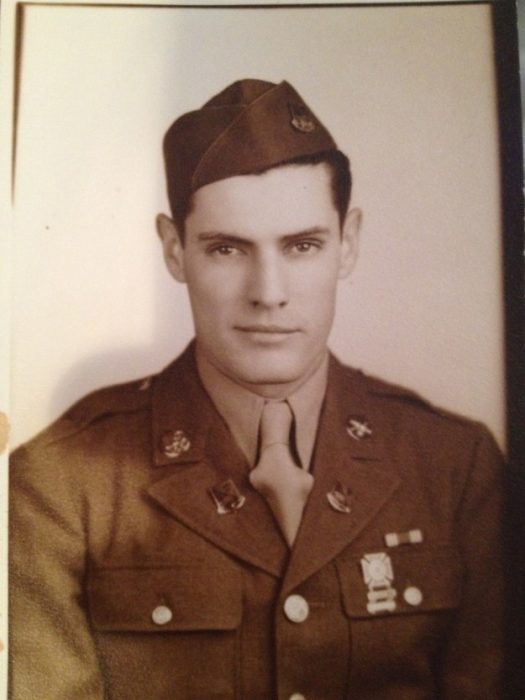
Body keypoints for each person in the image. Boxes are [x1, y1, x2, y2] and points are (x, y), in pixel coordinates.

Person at [9, 78, 504, 699]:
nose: (268, 292)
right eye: (227, 249)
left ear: (347, 244)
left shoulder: (454, 466)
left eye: (302, 245)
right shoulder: (61, 484)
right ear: (173, 250)